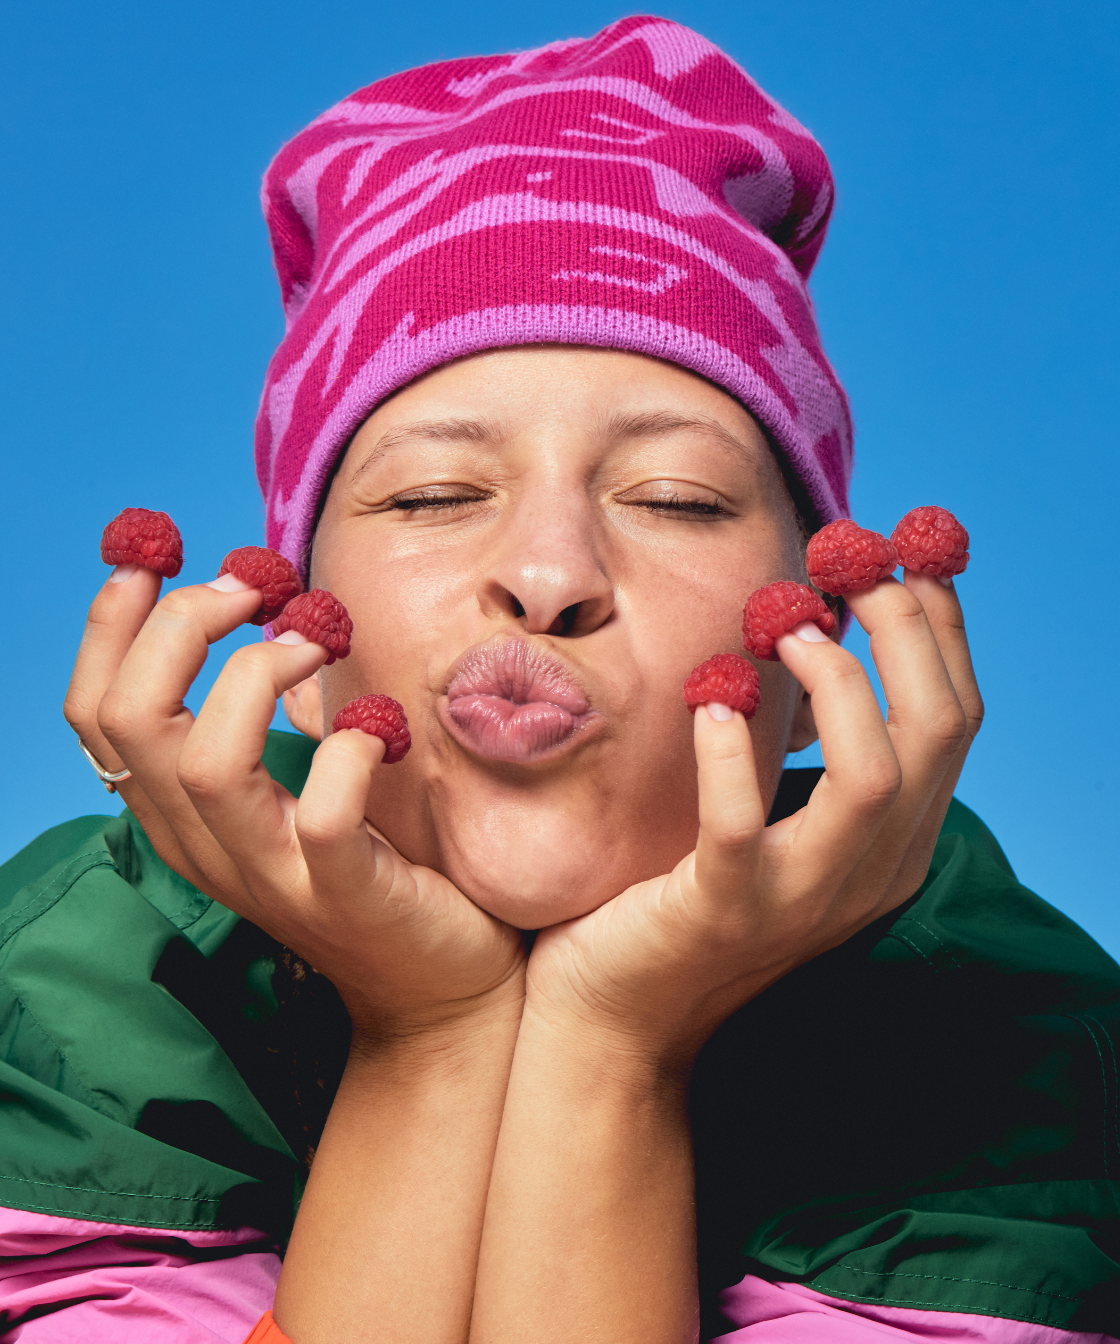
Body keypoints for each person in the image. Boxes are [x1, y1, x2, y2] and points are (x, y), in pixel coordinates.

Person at [1, 15, 1117, 1343]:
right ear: (302, 660)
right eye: (431, 490)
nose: (549, 569)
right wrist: (432, 1034)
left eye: (678, 498)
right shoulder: (91, 965)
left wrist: (610, 1048)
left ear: (811, 670)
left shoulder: (998, 1022)